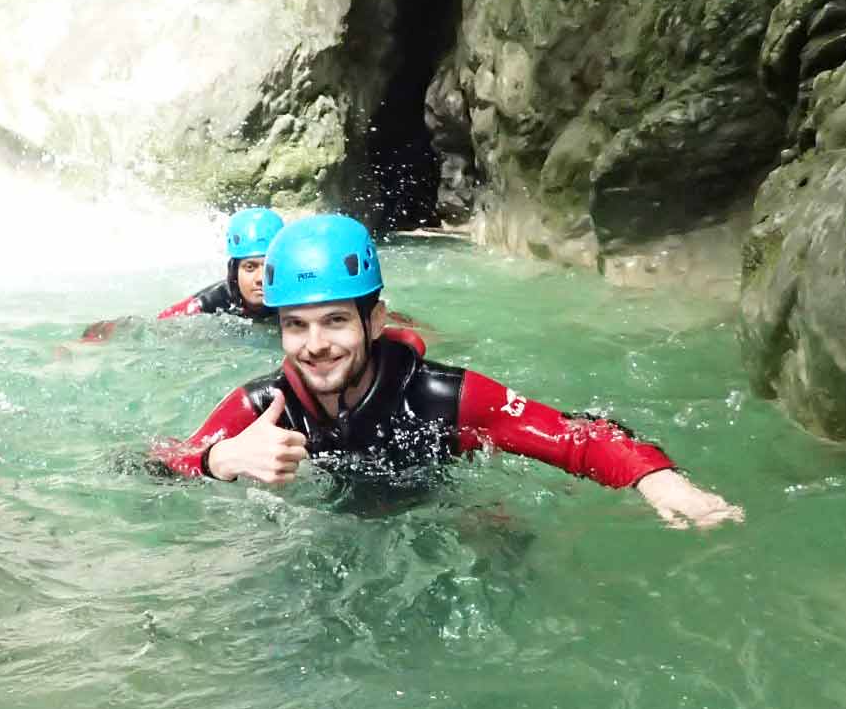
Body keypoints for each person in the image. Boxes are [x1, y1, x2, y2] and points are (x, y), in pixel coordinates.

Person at [153, 215, 744, 528]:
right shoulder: (263, 408)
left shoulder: (441, 396)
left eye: (335, 321)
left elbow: (575, 438)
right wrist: (216, 461)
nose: (315, 346)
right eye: (296, 326)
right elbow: (148, 465)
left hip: (441, 510)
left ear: (375, 318)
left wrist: (660, 480)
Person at [78, 208, 284, 342]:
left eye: (267, 267)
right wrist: (93, 337)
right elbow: (150, 325)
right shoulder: (211, 302)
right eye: (250, 267)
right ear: (234, 272)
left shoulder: (291, 297)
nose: (260, 278)